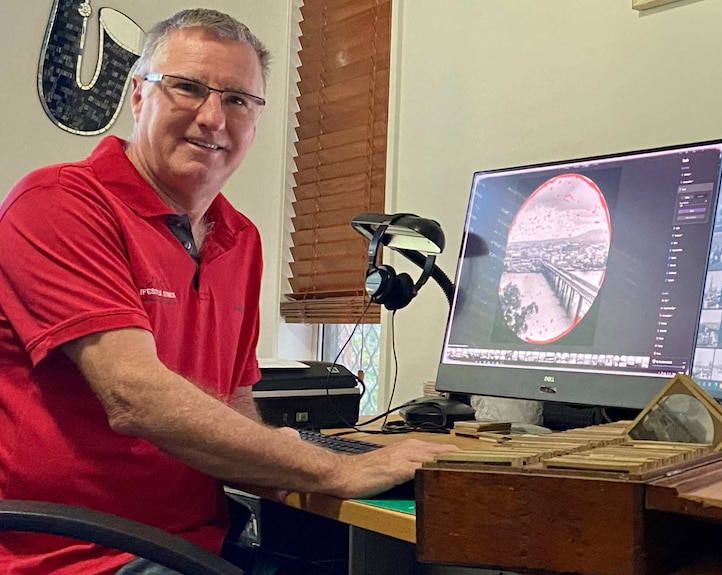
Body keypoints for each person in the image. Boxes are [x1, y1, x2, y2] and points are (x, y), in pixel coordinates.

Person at [0, 8, 456, 575]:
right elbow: (133, 396)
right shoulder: (59, 204)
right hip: (79, 555)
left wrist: (298, 462)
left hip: (198, 543)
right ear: (138, 95)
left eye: (238, 99)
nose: (213, 117)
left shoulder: (240, 239)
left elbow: (232, 401)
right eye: (188, 88)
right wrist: (330, 468)